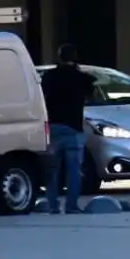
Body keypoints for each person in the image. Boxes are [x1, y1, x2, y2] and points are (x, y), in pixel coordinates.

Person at [40, 43, 96, 214]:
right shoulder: (82, 78)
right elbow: (91, 96)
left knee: (52, 169)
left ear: (59, 57)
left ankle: (53, 205)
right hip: (73, 127)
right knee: (74, 170)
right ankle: (71, 206)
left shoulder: (49, 76)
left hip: (53, 126)